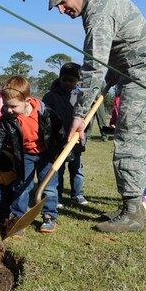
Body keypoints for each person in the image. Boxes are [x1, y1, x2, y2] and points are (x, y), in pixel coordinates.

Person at [44, 0, 146, 233]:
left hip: (144, 78)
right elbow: (120, 49)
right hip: (136, 74)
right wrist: (114, 73)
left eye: (62, 1)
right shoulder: (101, 2)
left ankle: (134, 214)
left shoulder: (98, 14)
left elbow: (93, 66)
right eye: (56, 5)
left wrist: (79, 115)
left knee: (129, 139)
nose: (60, 10)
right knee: (133, 139)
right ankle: (130, 206)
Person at [0, 76, 65, 238]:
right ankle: (18, 218)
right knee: (22, 186)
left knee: (49, 186)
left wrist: (67, 153)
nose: (8, 110)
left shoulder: (45, 112)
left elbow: (60, 132)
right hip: (25, 155)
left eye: (13, 106)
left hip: (46, 154)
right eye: (6, 105)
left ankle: (49, 216)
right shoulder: (7, 120)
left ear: (27, 101)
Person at [43, 62, 88, 206]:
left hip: (75, 140)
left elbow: (87, 118)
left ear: (78, 81)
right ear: (60, 78)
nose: (67, 83)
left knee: (77, 170)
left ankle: (77, 195)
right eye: (65, 79)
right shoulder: (50, 96)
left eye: (72, 80)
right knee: (59, 170)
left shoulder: (82, 97)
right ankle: (58, 196)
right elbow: (44, 117)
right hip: (58, 141)